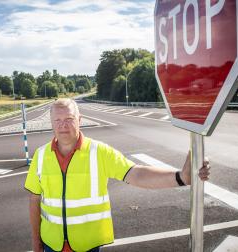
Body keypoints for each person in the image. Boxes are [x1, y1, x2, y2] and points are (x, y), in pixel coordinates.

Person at [24, 98, 210, 252]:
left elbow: (136, 174)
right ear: (51, 123)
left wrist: (181, 177)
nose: (63, 125)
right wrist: (36, 243)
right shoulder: (40, 156)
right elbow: (34, 201)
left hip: (87, 246)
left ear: (80, 120)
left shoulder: (99, 152)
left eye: (69, 119)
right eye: (58, 120)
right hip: (51, 245)